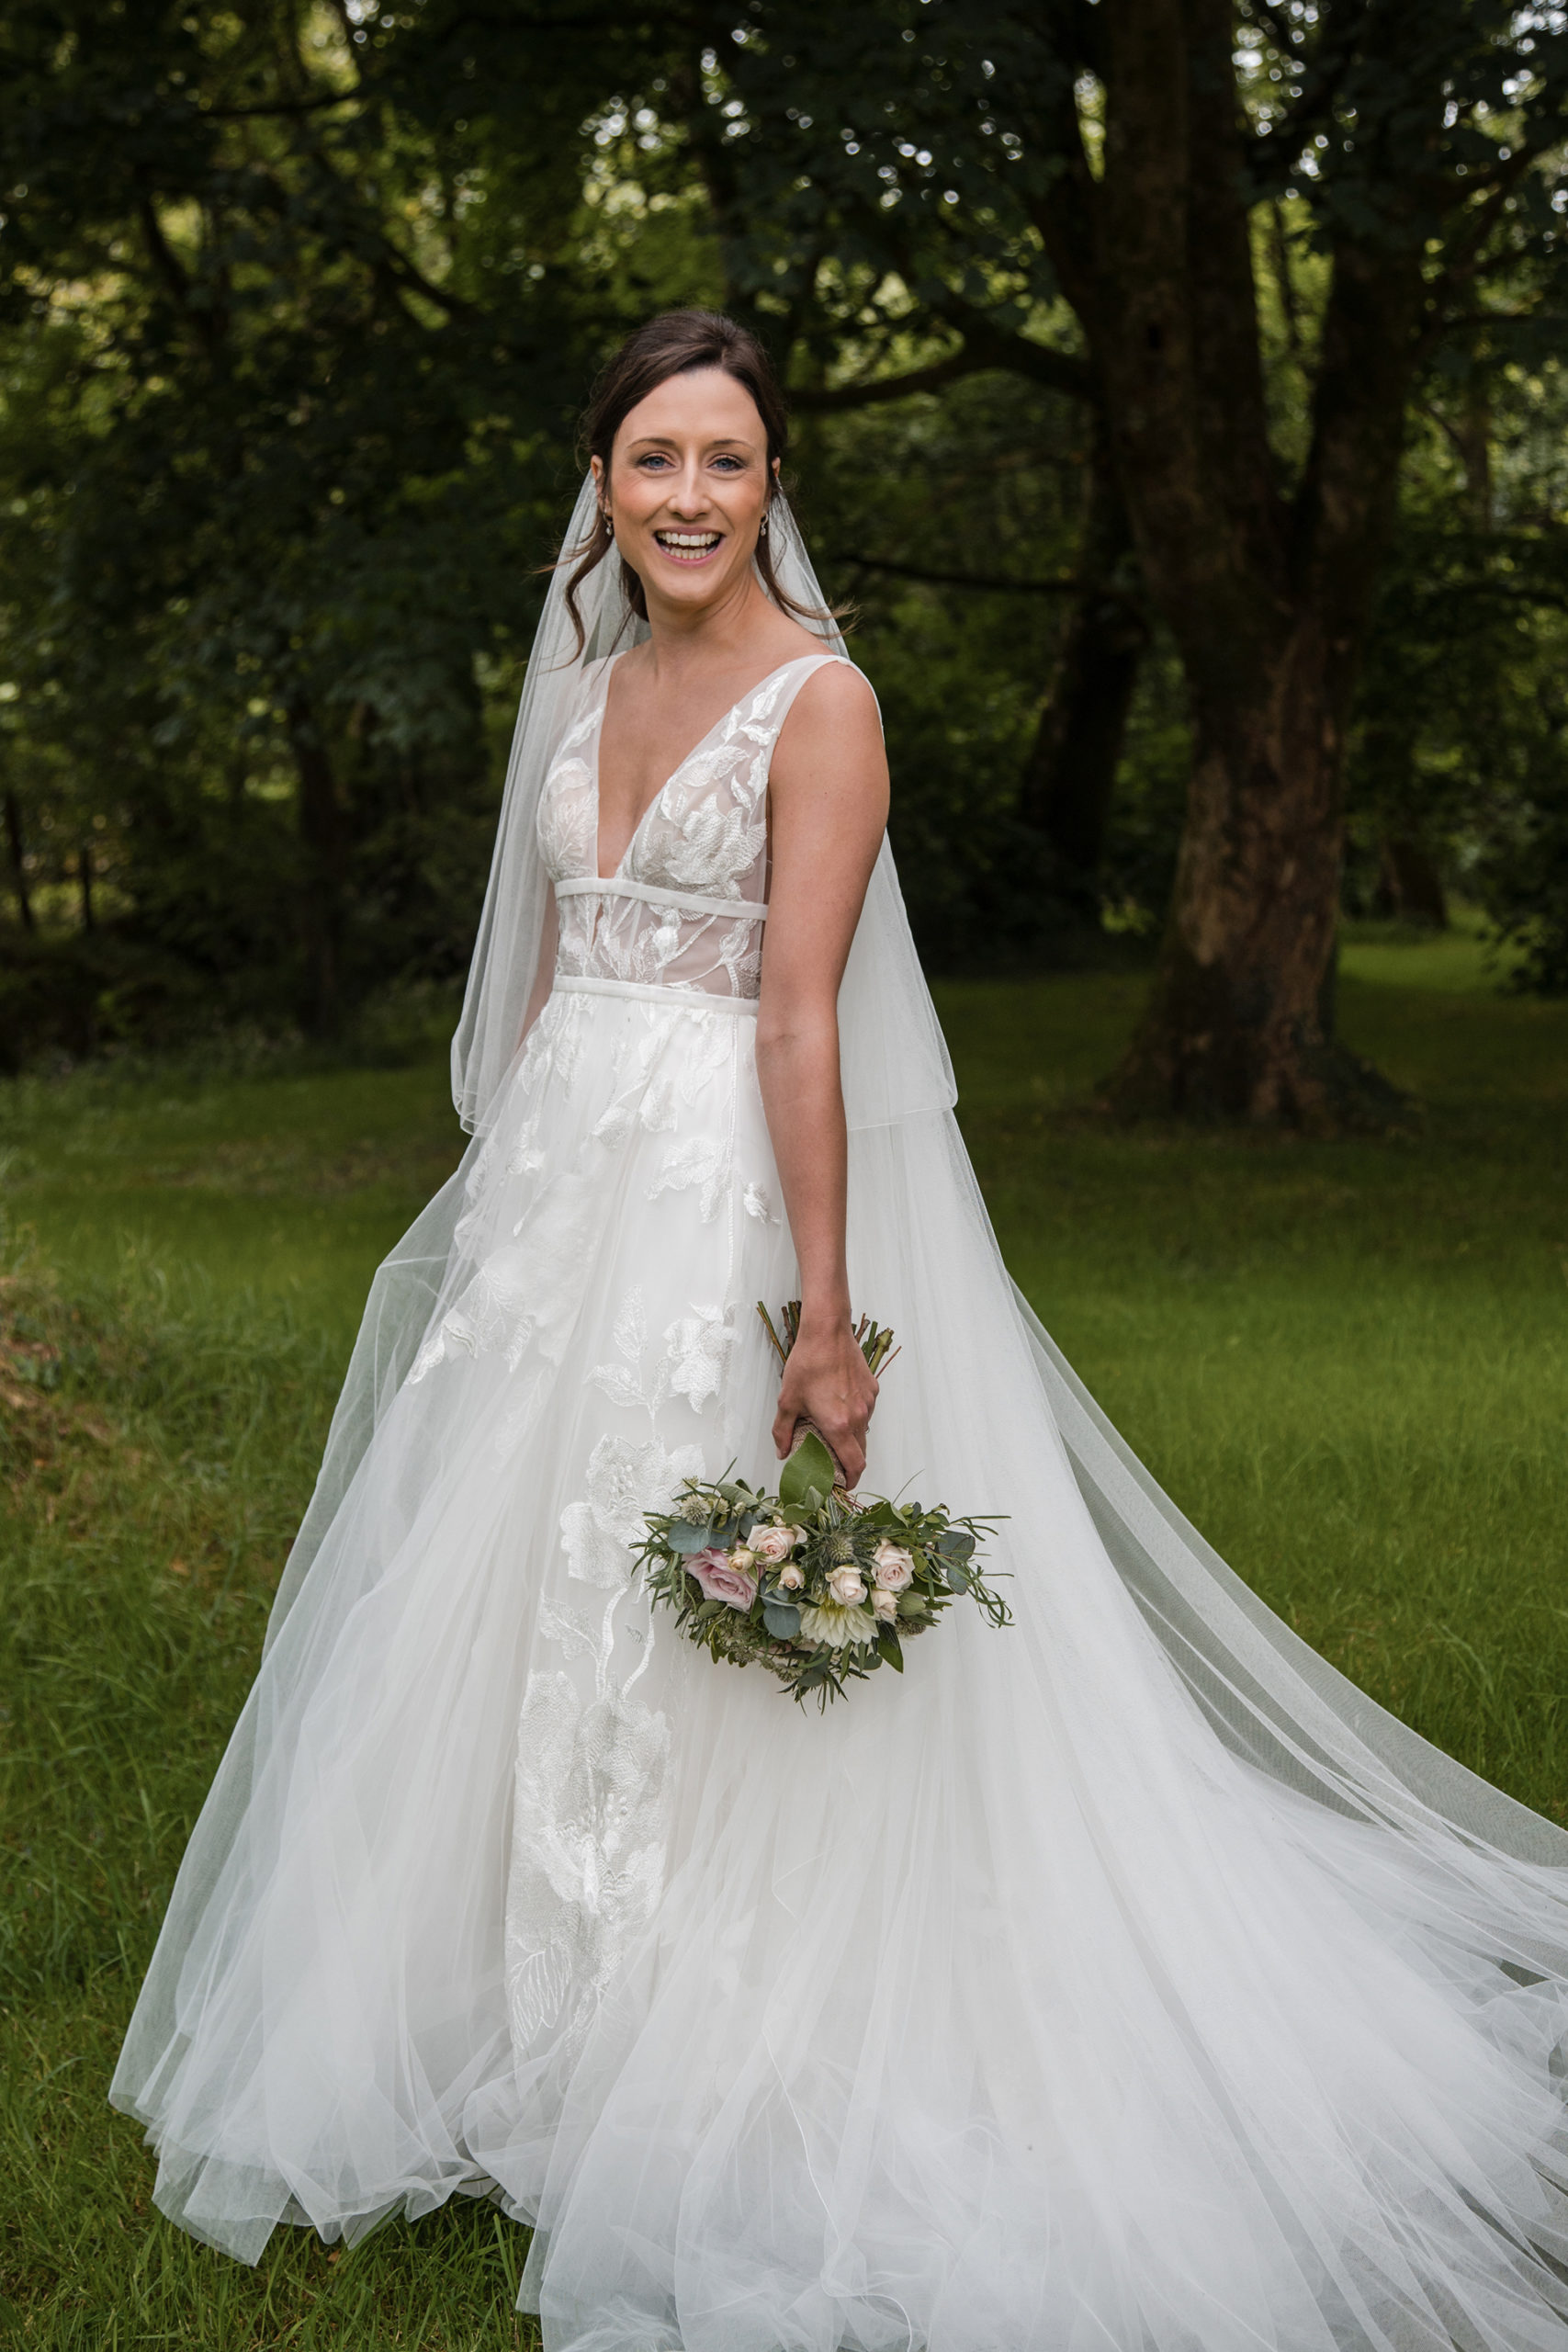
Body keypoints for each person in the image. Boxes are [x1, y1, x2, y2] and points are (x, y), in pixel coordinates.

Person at [113, 311, 1568, 2352]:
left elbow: (798, 1013)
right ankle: (514, 2020)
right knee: (518, 1586)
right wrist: (495, 1219)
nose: (688, 495)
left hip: (716, 1194)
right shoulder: (585, 688)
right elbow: (547, 987)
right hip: (561, 1212)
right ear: (600, 489)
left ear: (772, 482)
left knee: (708, 1595)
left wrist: (820, 1313)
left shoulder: (822, 705)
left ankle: (700, 2039)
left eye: (725, 458)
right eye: (651, 460)